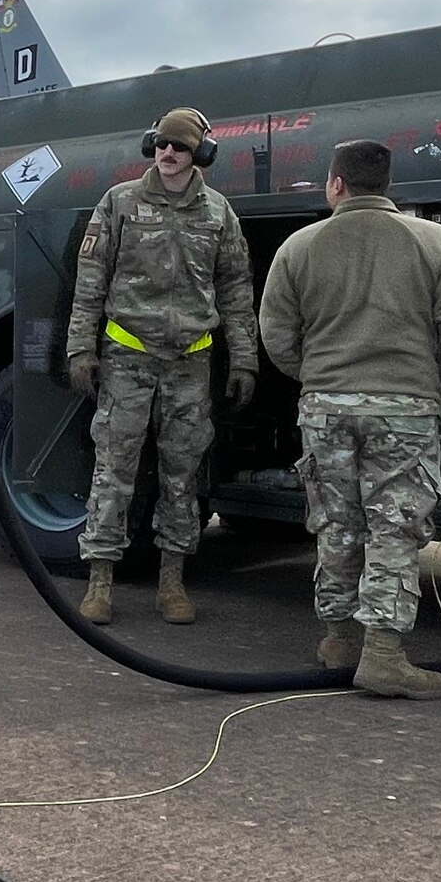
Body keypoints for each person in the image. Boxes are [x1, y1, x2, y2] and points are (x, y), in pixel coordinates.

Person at [257, 138, 441, 699]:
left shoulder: (298, 246)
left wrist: (318, 380)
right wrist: (428, 388)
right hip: (404, 409)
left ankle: (337, 640)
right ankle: (383, 655)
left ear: (335, 185)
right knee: (394, 527)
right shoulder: (438, 243)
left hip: (326, 407)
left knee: (336, 523)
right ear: (386, 187)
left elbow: (277, 336)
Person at [64, 107, 258, 626]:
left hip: (190, 362)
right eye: (161, 145)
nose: (167, 154)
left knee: (182, 474)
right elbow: (91, 280)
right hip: (127, 356)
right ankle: (100, 580)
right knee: (113, 471)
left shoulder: (219, 213)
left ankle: (172, 581)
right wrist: (80, 349)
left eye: (180, 147)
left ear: (202, 156)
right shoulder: (121, 202)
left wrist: (244, 358)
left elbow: (237, 290)